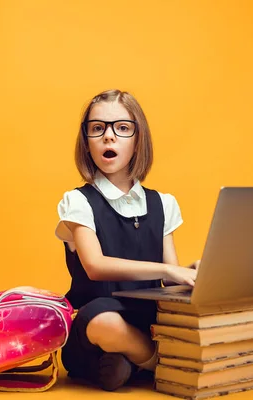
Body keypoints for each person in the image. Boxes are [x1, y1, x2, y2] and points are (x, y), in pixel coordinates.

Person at [54, 89, 198, 391]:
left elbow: (171, 281)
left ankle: (125, 364)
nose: (109, 137)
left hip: (145, 319)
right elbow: (95, 266)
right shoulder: (78, 201)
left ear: (137, 139)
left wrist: (191, 273)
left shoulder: (163, 203)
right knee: (104, 322)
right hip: (96, 324)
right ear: (87, 142)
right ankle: (159, 363)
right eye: (97, 129)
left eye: (122, 128)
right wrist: (166, 271)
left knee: (117, 365)